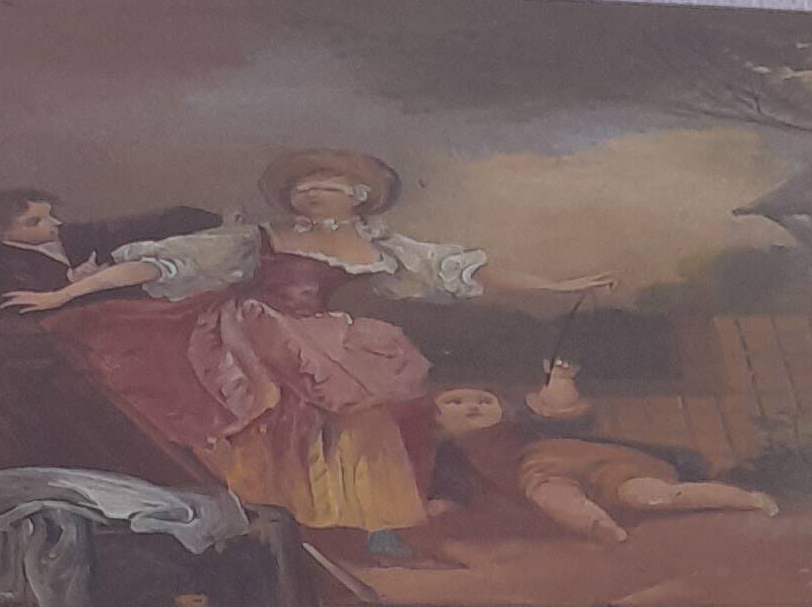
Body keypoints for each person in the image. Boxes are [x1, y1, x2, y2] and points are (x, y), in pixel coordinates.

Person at [33, 149, 608, 551]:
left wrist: (558, 287)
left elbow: (466, 268)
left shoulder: (378, 245)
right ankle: (274, 524)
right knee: (272, 418)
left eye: (322, 187)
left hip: (326, 335)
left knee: (372, 412)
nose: (307, 195)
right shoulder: (260, 239)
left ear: (357, 198)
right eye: (300, 190)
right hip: (255, 332)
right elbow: (168, 261)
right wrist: (71, 290)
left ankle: (374, 523)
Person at [428, 359, 781, 544]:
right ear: (438, 418)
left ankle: (743, 498)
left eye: (483, 400)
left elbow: (553, 408)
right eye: (456, 402)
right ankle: (603, 528)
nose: (472, 406)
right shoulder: (451, 451)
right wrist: (445, 504)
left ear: (502, 408)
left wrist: (560, 381)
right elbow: (449, 485)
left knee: (653, 494)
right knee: (553, 492)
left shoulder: (521, 423)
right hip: (539, 476)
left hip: (585, 461)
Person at [0, 186, 212, 314]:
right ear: (1, 233)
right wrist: (75, 284)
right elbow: (21, 312)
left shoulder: (73, 235)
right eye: (35, 222)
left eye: (50, 215)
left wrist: (206, 220)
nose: (55, 224)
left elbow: (148, 223)